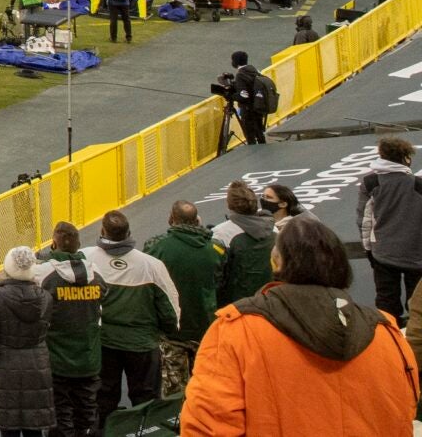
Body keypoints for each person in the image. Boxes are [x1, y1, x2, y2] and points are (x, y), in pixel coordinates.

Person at [184, 215, 420, 437]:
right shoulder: (385, 331)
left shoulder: (236, 330)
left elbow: (208, 426)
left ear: (276, 263)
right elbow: (404, 410)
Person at [90, 209, 180, 414]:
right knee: (146, 400)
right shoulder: (151, 265)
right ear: (128, 231)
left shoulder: (87, 260)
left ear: (102, 230)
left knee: (103, 399)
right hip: (142, 346)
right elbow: (170, 311)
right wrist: (169, 332)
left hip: (104, 343)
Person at [0, 244, 55, 437]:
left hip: (3, 370)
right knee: (34, 428)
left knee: (8, 430)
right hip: (37, 369)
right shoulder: (45, 298)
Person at [147, 200, 225, 398]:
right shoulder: (216, 248)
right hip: (205, 327)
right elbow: (220, 279)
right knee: (208, 388)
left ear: (171, 219)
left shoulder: (156, 247)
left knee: (174, 394)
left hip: (173, 330)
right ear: (197, 220)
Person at [41, 222, 105, 437]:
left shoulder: (45, 276)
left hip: (58, 360)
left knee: (60, 417)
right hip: (88, 359)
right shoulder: (95, 274)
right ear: (78, 245)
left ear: (53, 244)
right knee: (87, 415)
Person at [358, 135, 422, 323]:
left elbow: (364, 220)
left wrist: (368, 249)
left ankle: (390, 339)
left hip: (382, 254)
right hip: (416, 254)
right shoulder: (418, 184)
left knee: (386, 302)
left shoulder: (371, 183)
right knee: (417, 305)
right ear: (406, 158)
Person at [215, 181, 276, 307]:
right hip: (270, 298)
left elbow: (216, 273)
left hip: (236, 303)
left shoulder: (220, 233)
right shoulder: (274, 229)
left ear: (229, 205)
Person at [221, 50, 275, 149]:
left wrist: (230, 96)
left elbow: (244, 96)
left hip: (248, 110)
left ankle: (253, 154)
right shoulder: (254, 70)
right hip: (258, 106)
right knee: (259, 133)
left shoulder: (241, 75)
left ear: (235, 62)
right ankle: (264, 151)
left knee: (250, 136)